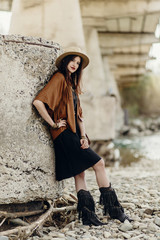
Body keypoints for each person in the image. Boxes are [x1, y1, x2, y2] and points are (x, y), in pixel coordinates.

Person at [33, 47, 131, 226]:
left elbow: (79, 115)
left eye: (78, 63)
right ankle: (115, 211)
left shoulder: (71, 84)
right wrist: (53, 124)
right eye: (72, 60)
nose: (75, 65)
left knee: (80, 174)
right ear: (65, 61)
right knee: (99, 163)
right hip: (64, 134)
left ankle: (88, 217)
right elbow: (38, 102)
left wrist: (84, 135)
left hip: (75, 133)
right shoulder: (59, 78)